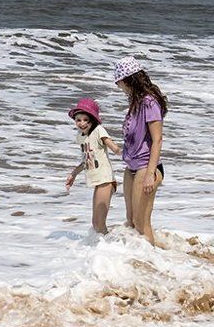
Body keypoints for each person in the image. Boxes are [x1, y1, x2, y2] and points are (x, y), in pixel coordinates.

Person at [113, 56, 168, 246]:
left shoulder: (149, 102)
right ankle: (142, 260)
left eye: (118, 82)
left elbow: (157, 139)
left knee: (141, 224)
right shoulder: (136, 102)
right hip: (132, 166)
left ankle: (151, 261)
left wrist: (150, 174)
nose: (118, 86)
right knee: (131, 221)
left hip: (146, 166)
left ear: (128, 79)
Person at [64, 98, 122, 234]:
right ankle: (106, 244)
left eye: (86, 120)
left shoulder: (99, 130)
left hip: (105, 179)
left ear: (93, 120)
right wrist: (73, 174)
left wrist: (125, 153)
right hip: (97, 181)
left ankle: (111, 245)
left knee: (100, 224)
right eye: (78, 120)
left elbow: (114, 148)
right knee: (95, 224)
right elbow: (86, 160)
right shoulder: (81, 137)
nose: (82, 123)